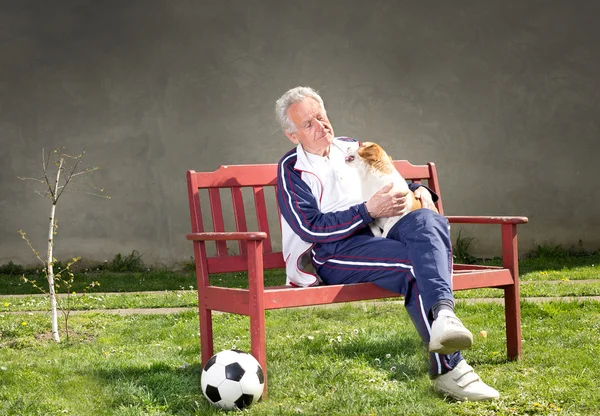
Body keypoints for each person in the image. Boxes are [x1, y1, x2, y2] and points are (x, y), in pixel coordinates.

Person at [274, 86, 500, 401]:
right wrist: (366, 211)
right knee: (413, 264)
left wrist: (419, 190)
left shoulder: (350, 147)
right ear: (293, 136)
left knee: (429, 221)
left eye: (321, 116)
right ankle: (451, 371)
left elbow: (385, 179)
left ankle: (445, 315)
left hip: (381, 231)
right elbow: (309, 226)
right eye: (308, 124)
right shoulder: (292, 170)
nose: (320, 126)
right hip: (335, 252)